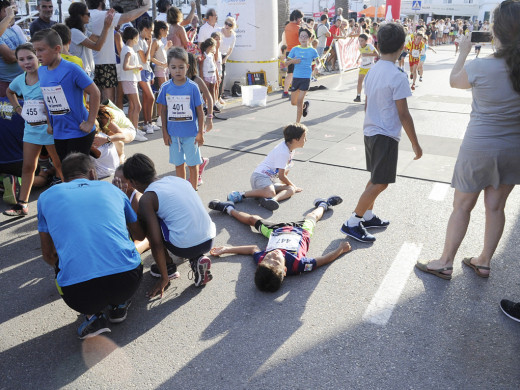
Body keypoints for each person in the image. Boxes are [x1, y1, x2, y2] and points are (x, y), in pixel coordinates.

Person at [415, 1, 520, 281]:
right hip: (513, 148)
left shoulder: (481, 67)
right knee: (497, 207)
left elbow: (454, 81)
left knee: (462, 205)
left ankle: (445, 262)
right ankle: (484, 261)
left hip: (479, 147)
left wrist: (462, 53)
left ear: (496, 33)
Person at [37, 153, 145, 339]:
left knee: (61, 266)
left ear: (63, 177)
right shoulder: (113, 190)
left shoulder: (46, 197)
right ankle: (119, 305)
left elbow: (47, 254)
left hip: (79, 294)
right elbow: (139, 235)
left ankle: (92, 316)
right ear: (93, 174)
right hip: (128, 281)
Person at [340, 23, 422, 243]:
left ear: (377, 43)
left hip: (371, 130)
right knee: (381, 182)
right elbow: (403, 114)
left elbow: (368, 103)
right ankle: (353, 222)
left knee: (376, 178)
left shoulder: (373, 70)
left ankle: (366, 215)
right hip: (385, 134)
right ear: (403, 47)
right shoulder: (398, 75)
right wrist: (416, 144)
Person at [208, 196, 351, 293]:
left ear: (260, 264)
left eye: (267, 258)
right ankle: (324, 204)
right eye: (276, 260)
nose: (273, 255)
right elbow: (323, 260)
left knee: (253, 219)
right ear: (284, 270)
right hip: (301, 231)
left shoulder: (263, 261)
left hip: (275, 231)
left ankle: (228, 208)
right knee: (313, 217)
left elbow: (252, 249)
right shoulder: (298, 265)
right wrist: (340, 250)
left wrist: (226, 249)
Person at [123, 153, 216, 297]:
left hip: (185, 246)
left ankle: (168, 267)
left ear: (133, 183)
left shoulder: (147, 199)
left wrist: (164, 278)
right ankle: (196, 259)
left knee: (149, 220)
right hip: (209, 238)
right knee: (174, 216)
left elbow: (155, 242)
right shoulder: (177, 179)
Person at [4, 43, 62, 217]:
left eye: (30, 57)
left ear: (37, 57)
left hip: (50, 129)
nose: (26, 62)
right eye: (21, 59)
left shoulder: (48, 76)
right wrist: (17, 109)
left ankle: (73, 199)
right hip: (31, 129)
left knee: (59, 165)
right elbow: (9, 91)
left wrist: (52, 122)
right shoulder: (20, 79)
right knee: (28, 166)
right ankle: (22, 205)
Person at [34, 28, 100, 162]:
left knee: (77, 173)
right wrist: (49, 123)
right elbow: (46, 98)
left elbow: (95, 92)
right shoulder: (41, 71)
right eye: (35, 50)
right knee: (67, 170)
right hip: (59, 131)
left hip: (78, 130)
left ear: (57, 48)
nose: (37, 54)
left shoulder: (71, 68)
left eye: (41, 50)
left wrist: (90, 122)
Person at [227, 123, 307, 211]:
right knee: (277, 190)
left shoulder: (291, 149)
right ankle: (240, 194)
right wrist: (294, 186)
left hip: (269, 181)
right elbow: (281, 176)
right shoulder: (283, 152)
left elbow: (284, 172)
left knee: (290, 189)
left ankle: (271, 200)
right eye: (304, 137)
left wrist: (290, 187)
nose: (305, 140)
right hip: (259, 177)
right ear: (296, 139)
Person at [157, 47, 204, 191]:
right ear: (168, 68)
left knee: (192, 164)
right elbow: (163, 111)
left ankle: (193, 189)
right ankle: (183, 191)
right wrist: (164, 132)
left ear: (187, 67)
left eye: (181, 67)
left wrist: (200, 132)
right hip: (173, 136)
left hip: (191, 134)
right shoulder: (165, 88)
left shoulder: (193, 87)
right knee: (178, 164)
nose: (177, 71)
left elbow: (200, 111)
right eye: (173, 67)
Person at [86, 0, 150, 102]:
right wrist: (146, 7)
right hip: (106, 62)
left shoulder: (83, 17)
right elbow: (128, 17)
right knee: (109, 100)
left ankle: (94, 118)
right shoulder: (106, 15)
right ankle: (106, 118)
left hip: (89, 64)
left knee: (93, 99)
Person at [66, 3, 114, 80]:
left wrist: (107, 21)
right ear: (80, 16)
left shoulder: (83, 31)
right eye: (88, 14)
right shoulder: (74, 32)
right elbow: (97, 47)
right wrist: (106, 27)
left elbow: (99, 40)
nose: (89, 16)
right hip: (81, 72)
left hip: (87, 72)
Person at [286, 28, 319, 122]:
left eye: (305, 36)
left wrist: (317, 67)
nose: (303, 38)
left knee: (299, 101)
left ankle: (297, 124)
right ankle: (305, 106)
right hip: (296, 77)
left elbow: (318, 62)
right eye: (301, 36)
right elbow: (286, 63)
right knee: (293, 102)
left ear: (309, 38)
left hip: (306, 77)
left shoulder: (312, 50)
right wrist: (293, 61)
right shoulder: (294, 49)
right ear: (299, 38)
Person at [134, 18, 157, 134]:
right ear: (145, 29)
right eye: (151, 30)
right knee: (150, 97)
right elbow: (144, 59)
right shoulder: (139, 40)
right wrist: (150, 46)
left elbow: (146, 60)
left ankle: (148, 122)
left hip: (146, 72)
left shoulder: (143, 40)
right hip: (141, 72)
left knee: (148, 98)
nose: (151, 33)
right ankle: (147, 123)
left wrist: (151, 74)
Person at [0, 0, 24, 97]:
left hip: (22, 81)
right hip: (6, 84)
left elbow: (30, 50)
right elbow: (10, 56)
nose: (12, 13)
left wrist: (16, 55)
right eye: (7, 10)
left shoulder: (13, 29)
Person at [120, 27, 142, 132]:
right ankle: (135, 130)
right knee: (137, 106)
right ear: (133, 37)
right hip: (129, 80)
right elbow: (125, 66)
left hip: (129, 79)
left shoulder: (127, 49)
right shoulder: (128, 50)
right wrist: (136, 67)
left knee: (133, 106)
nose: (138, 39)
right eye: (137, 37)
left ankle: (133, 129)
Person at [282, 9, 303, 98]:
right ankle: (294, 93)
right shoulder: (298, 28)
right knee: (297, 74)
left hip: (289, 52)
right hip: (297, 52)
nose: (301, 20)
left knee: (290, 73)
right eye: (300, 18)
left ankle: (285, 92)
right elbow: (304, 40)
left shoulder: (287, 27)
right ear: (296, 18)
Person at [354, 33, 379, 102]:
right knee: (359, 81)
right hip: (363, 66)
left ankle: (369, 98)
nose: (360, 42)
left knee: (368, 83)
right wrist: (358, 59)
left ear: (366, 41)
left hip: (370, 67)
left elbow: (377, 54)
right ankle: (358, 96)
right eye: (359, 41)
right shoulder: (359, 47)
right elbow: (361, 53)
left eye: (362, 41)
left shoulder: (369, 46)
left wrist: (367, 54)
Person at [219, 16, 236, 104]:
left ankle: (219, 96)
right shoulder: (219, 31)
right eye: (226, 23)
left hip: (223, 56)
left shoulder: (233, 36)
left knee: (221, 76)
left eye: (230, 24)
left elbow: (230, 49)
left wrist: (225, 58)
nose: (227, 25)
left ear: (232, 26)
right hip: (216, 55)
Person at [150, 21, 171, 88]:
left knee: (167, 91)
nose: (168, 33)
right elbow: (150, 57)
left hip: (164, 69)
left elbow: (160, 53)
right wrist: (162, 64)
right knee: (165, 91)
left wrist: (167, 47)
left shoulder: (159, 41)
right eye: (167, 31)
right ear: (162, 30)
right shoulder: (155, 41)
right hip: (160, 69)